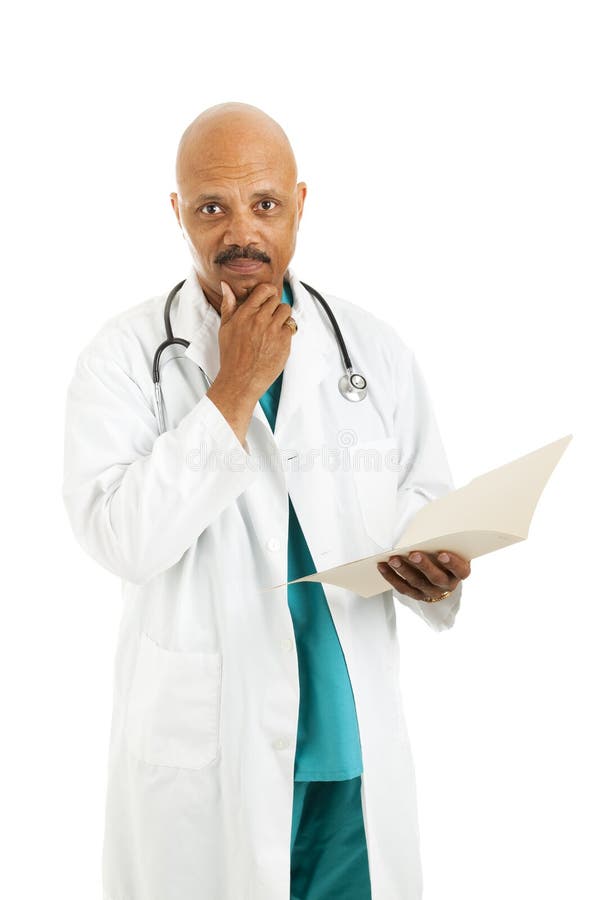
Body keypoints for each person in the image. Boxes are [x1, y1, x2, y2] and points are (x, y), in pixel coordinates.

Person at [62, 101, 471, 900]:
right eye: (212, 207)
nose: (240, 231)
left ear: (301, 205)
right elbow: (120, 539)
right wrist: (232, 390)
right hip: (210, 752)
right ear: (177, 212)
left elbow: (427, 496)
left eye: (265, 205)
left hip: (349, 747)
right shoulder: (123, 357)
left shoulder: (372, 349)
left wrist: (440, 568)